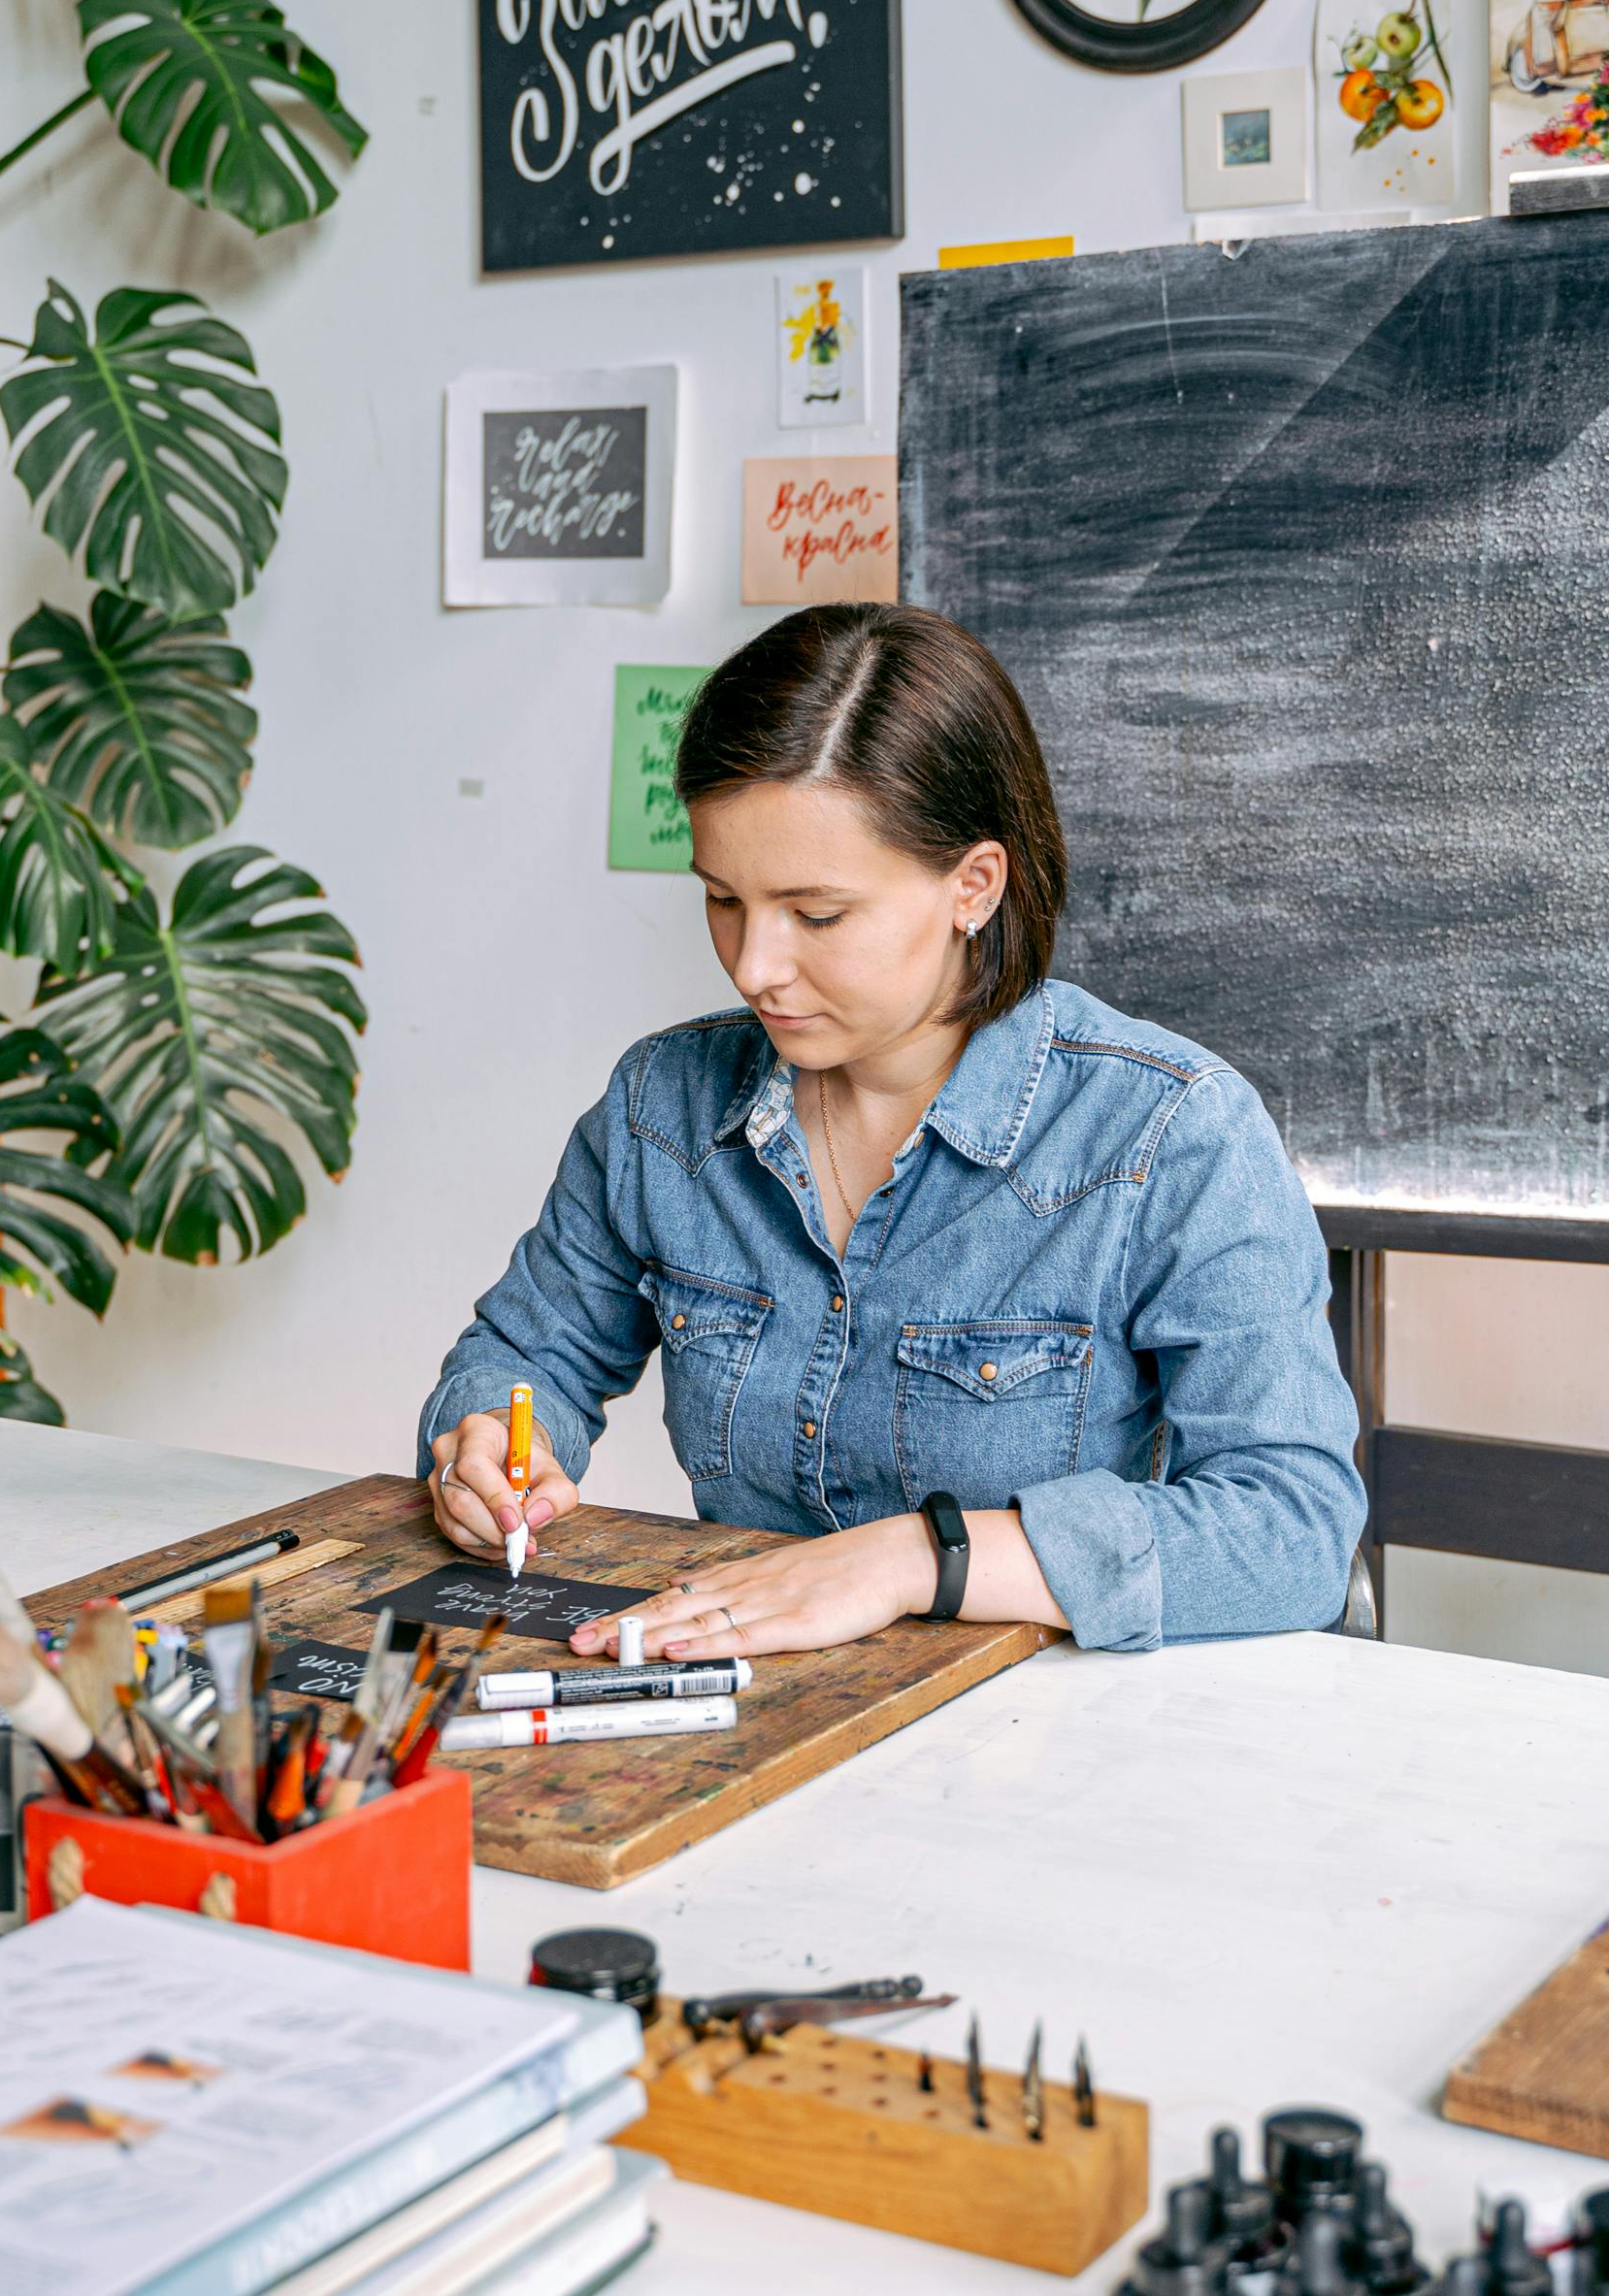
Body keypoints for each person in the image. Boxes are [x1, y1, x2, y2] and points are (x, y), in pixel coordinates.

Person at [415, 602, 1364, 1660]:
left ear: (973, 885)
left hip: (1044, 1742)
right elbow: (522, 1353)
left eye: (815, 916)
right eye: (723, 899)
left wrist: (921, 1558)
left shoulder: (1170, 1131)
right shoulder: (661, 1106)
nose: (753, 965)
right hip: (745, 1707)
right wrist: (493, 1446)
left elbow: (1293, 1528)